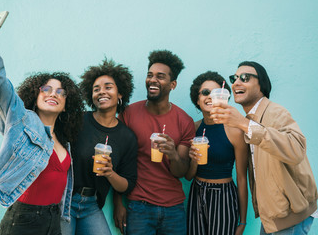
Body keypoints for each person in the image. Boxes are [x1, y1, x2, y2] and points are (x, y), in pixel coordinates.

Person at [0, 12, 84, 234]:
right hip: (24, 220)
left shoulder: (63, 138)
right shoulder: (22, 121)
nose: (54, 94)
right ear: (35, 94)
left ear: (65, 104)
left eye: (61, 92)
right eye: (47, 89)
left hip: (54, 220)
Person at [210, 61, 318, 234]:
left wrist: (242, 123)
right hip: (274, 218)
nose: (236, 82)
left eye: (244, 78)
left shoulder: (275, 112)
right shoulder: (252, 118)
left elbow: (297, 150)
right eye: (234, 78)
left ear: (262, 84)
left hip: (292, 218)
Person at [113, 50, 195, 234]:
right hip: (139, 206)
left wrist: (173, 154)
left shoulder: (184, 121)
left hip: (173, 208)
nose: (152, 80)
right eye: (150, 75)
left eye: (160, 76)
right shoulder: (128, 114)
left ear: (172, 84)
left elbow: (180, 172)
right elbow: (118, 162)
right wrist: (118, 204)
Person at [60, 59, 138, 235]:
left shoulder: (127, 137)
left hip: (92, 205)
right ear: (91, 96)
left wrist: (110, 173)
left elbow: (127, 185)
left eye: (108, 87)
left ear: (120, 94)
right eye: (96, 89)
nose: (101, 92)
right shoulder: (77, 120)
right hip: (65, 200)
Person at [185, 71, 249, 235]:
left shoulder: (235, 131)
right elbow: (189, 175)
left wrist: (242, 220)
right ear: (197, 99)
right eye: (205, 93)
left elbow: (242, 178)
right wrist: (193, 160)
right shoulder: (193, 128)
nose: (209, 97)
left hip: (223, 196)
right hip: (197, 192)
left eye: (215, 93)